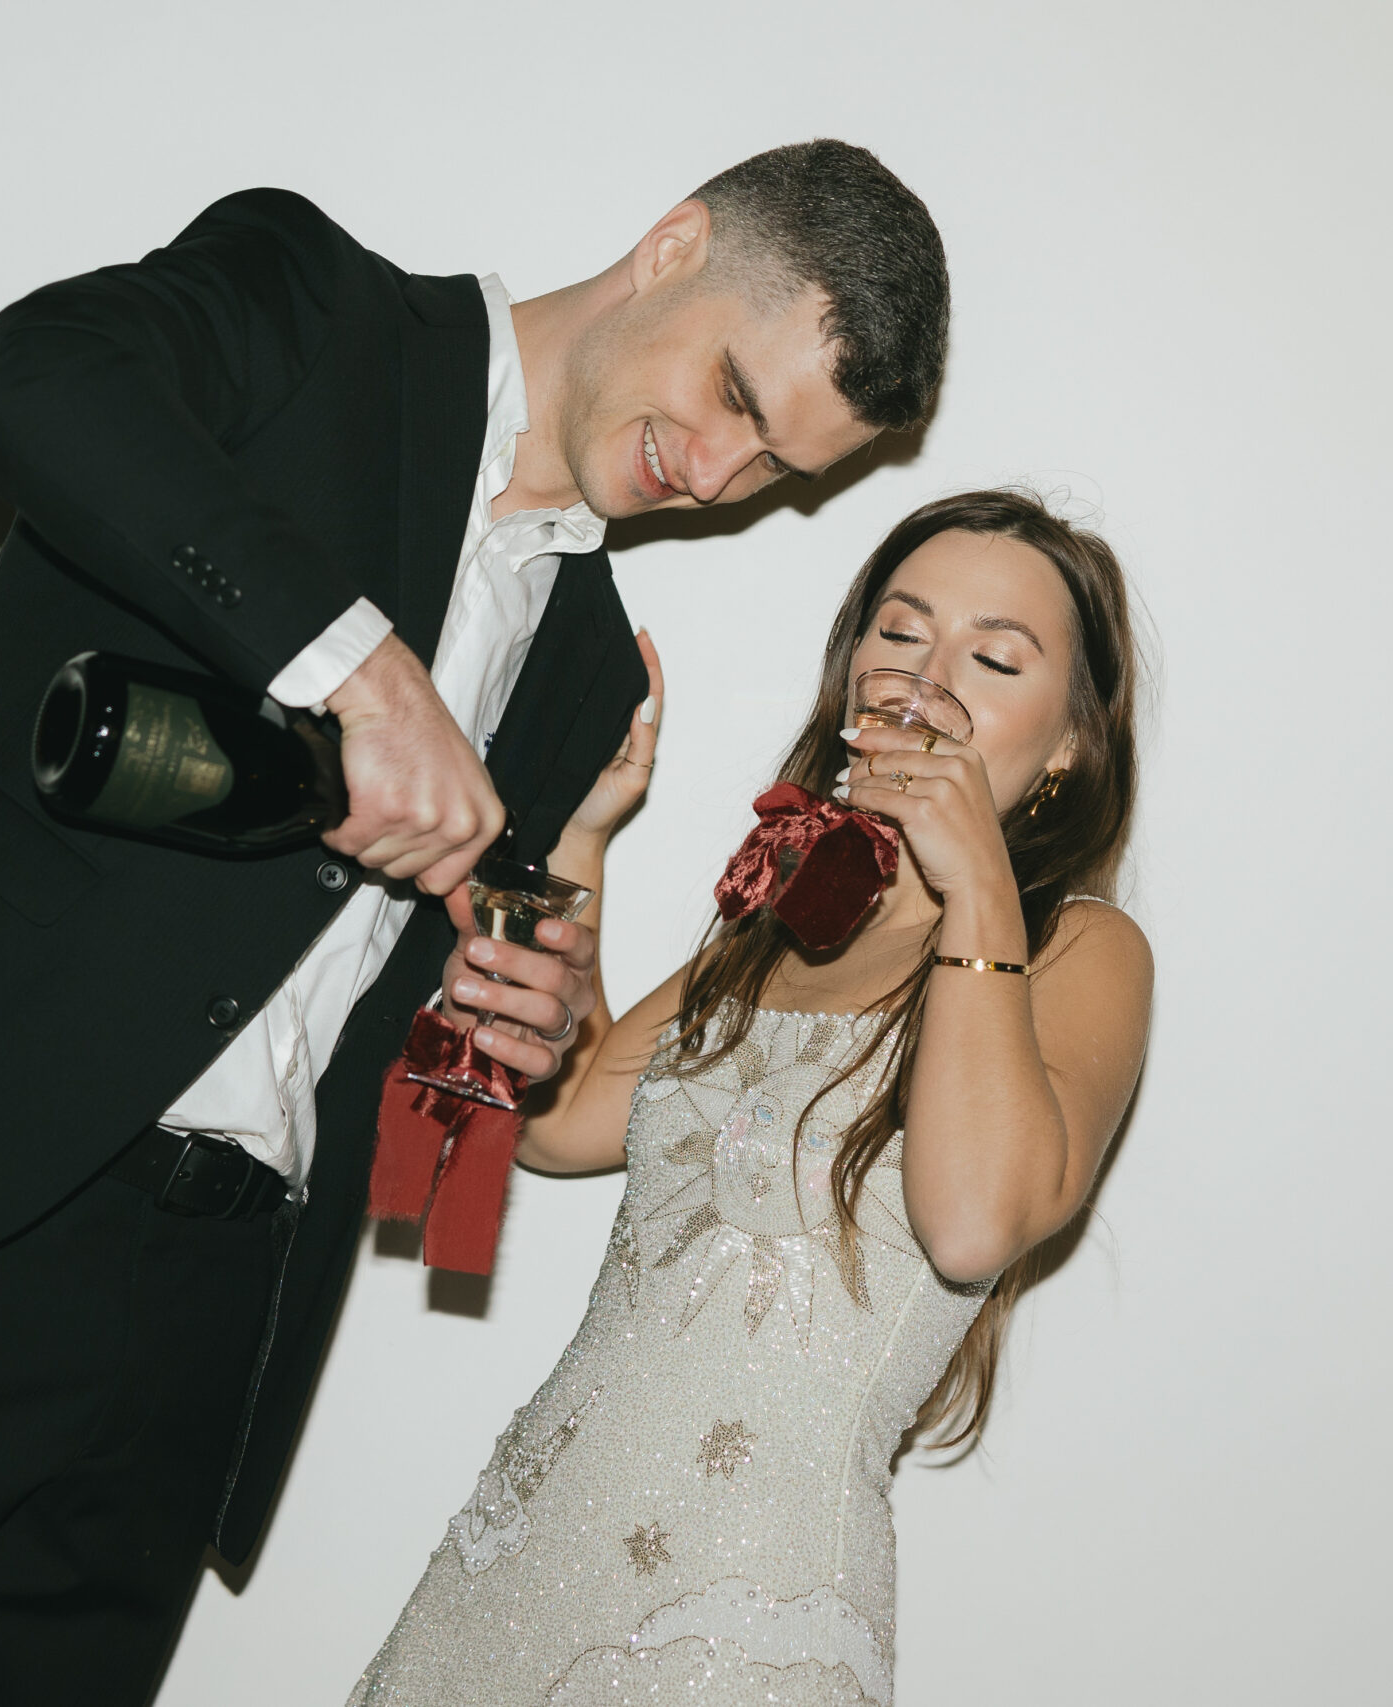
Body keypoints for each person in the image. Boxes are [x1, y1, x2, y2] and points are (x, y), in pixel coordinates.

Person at [0, 141, 949, 1705]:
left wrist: (525, 1024)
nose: (717, 474)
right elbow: (28, 378)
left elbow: (428, 1105)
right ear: (672, 246)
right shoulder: (320, 311)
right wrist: (360, 667)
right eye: (734, 395)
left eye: (778, 470)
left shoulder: (589, 663)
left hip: (208, 1319)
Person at [349, 489, 1155, 1706]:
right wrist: (584, 839)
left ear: (1068, 744)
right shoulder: (787, 910)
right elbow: (566, 1127)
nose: (924, 678)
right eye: (898, 632)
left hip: (742, 1618)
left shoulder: (1079, 952)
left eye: (992, 657)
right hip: (520, 1551)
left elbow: (974, 1223)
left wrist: (978, 885)